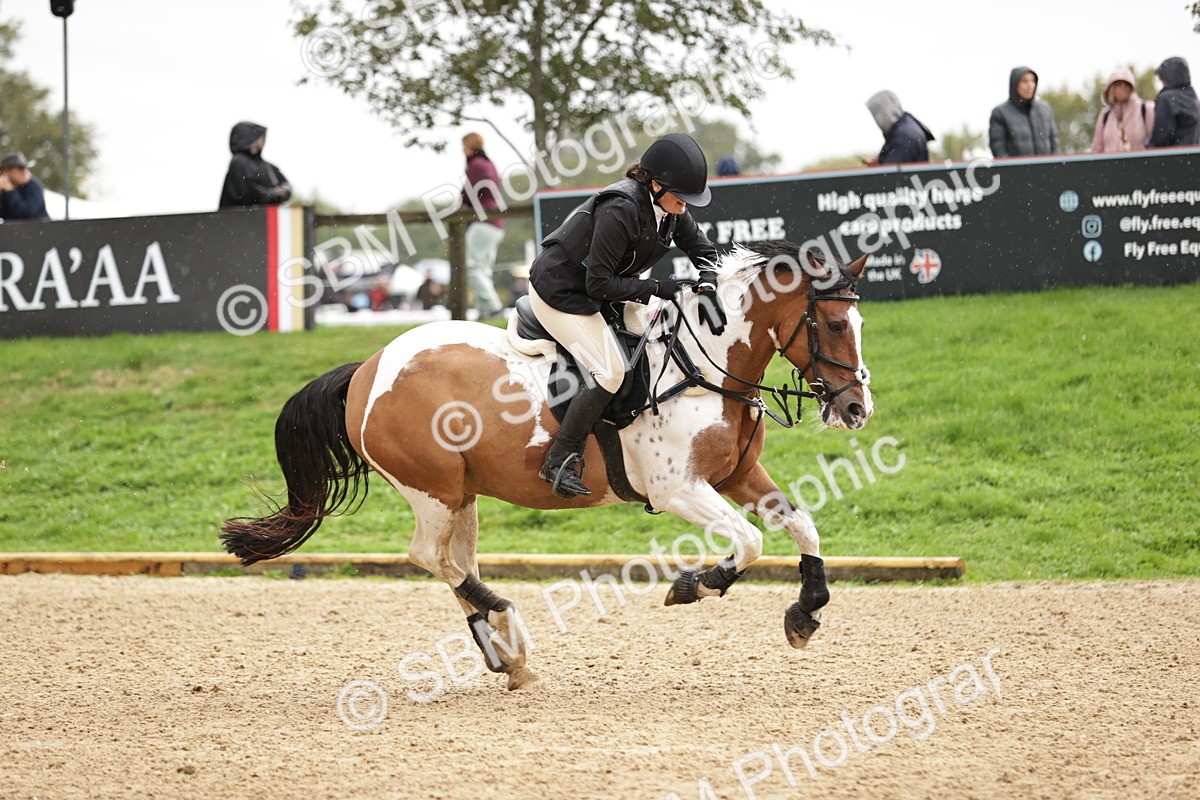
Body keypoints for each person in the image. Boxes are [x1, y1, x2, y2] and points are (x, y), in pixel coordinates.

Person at [529, 132, 723, 498]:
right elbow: (599, 282)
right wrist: (655, 290)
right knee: (613, 371)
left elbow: (703, 248)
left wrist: (709, 278)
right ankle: (558, 458)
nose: (686, 204)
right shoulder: (620, 209)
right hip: (562, 293)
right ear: (653, 183)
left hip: (601, 293)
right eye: (680, 196)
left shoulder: (669, 209)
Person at [461, 132, 506, 318]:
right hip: (496, 223)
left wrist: (465, 198)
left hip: (483, 222)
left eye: (464, 146)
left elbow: (471, 191)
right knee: (483, 268)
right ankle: (484, 312)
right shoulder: (488, 163)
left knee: (471, 267)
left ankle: (493, 306)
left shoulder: (476, 165)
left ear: (469, 147)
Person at [989, 66, 1059, 157]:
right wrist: (1015, 170)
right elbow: (999, 149)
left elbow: (1054, 144)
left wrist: (1053, 167)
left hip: (1047, 170)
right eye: (1024, 81)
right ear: (1015, 84)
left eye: (1032, 80)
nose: (1030, 85)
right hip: (1016, 171)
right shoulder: (1000, 113)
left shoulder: (1045, 110)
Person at [219, 122, 291, 209]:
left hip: (266, 217)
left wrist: (284, 191)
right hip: (242, 218)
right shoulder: (239, 162)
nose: (262, 140)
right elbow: (248, 194)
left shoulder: (268, 167)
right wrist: (274, 194)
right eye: (259, 137)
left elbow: (285, 184)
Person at [1091, 68, 1155, 153]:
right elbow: (1097, 149)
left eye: (1126, 84)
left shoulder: (1146, 109)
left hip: (1140, 164)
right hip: (1110, 165)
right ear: (1111, 88)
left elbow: (1155, 144)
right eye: (1118, 84)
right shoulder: (1105, 115)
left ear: (1132, 88)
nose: (1123, 87)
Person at [865, 90, 934, 165]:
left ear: (885, 109)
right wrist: (879, 163)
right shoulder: (904, 129)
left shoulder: (904, 136)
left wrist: (878, 169)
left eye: (877, 111)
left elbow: (891, 174)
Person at [1147, 57, 1199, 148]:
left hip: (1173, 158)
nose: (1160, 81)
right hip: (1194, 157)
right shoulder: (1193, 98)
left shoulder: (1166, 99)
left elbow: (1161, 137)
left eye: (1161, 77)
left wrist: (1148, 145)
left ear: (1168, 77)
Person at [0, 152, 50, 222]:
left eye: (26, 168)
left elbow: (26, 214)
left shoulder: (34, 186)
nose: (25, 171)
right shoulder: (3, 188)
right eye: (20, 168)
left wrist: (11, 191)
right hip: (14, 231)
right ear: (6, 171)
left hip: (39, 230)